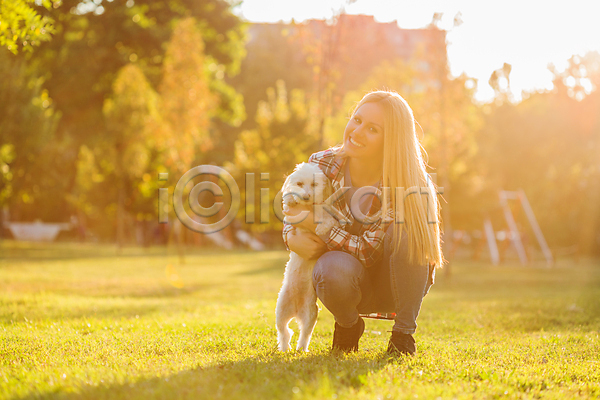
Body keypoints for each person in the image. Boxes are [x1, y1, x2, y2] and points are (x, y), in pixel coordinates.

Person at [282, 90, 443, 355]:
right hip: (344, 281)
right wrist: (290, 234)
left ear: (391, 140)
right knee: (330, 267)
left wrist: (317, 225)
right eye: (356, 120)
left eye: (372, 129)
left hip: (397, 284)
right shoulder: (321, 163)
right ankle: (348, 326)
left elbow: (368, 252)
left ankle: (402, 336)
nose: (356, 132)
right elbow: (294, 204)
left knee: (407, 228)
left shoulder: (407, 182)